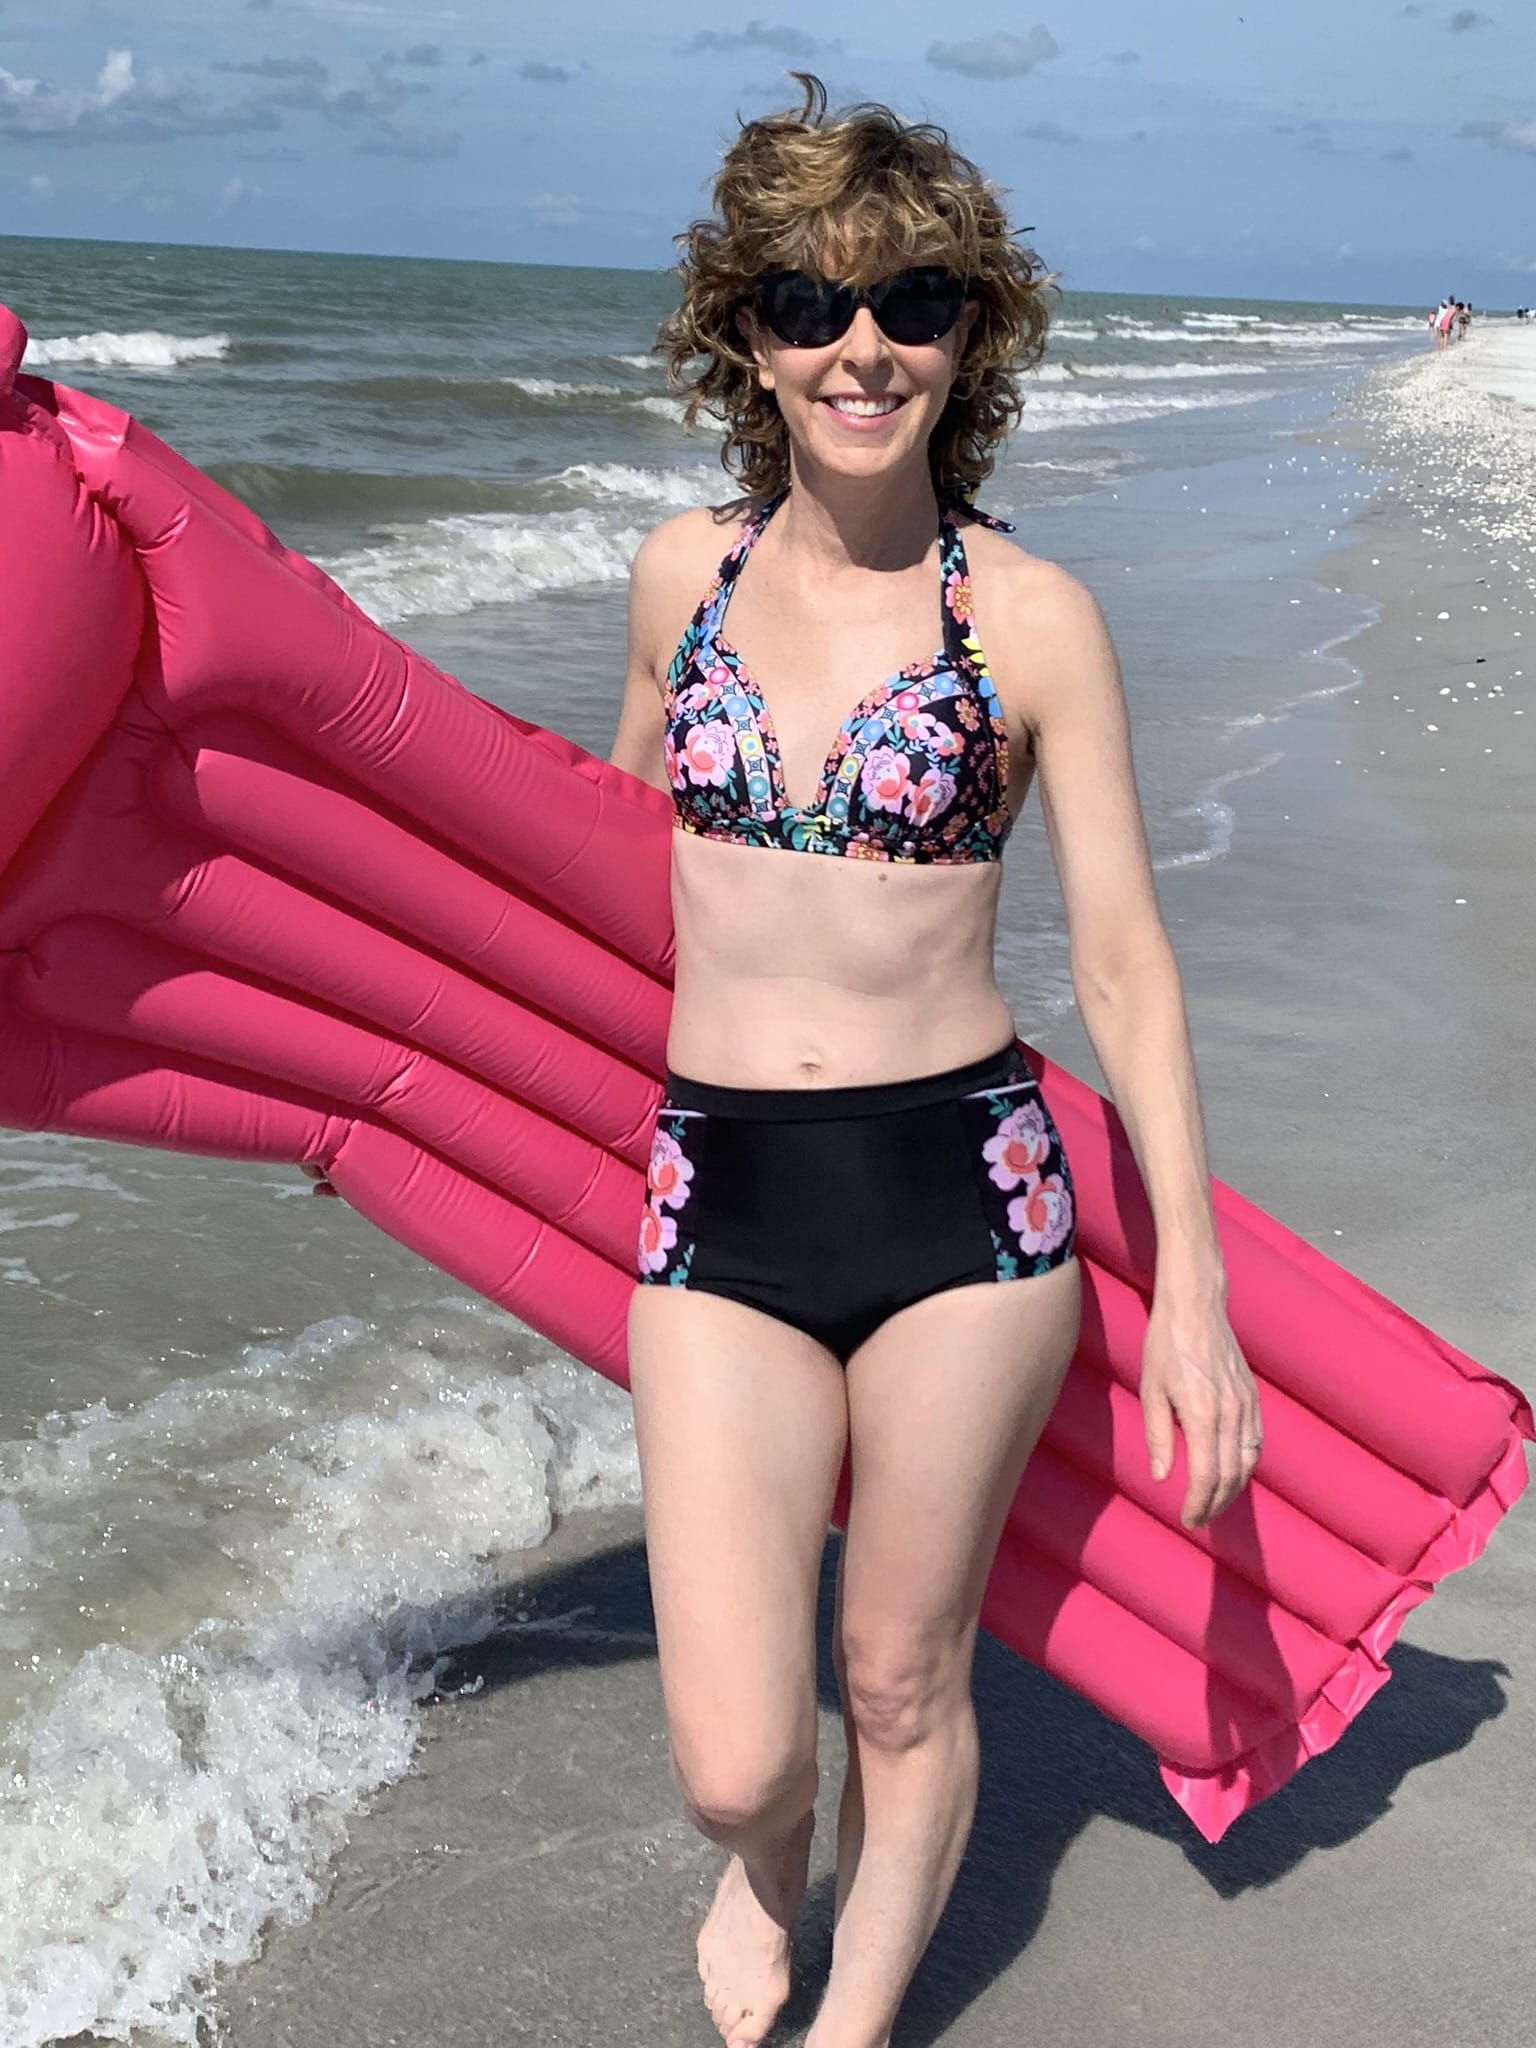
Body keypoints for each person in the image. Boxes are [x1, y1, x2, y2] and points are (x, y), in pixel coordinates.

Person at [608, 74, 1262, 2048]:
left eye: (908, 304)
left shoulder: (1035, 619)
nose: (858, 345)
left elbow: (1130, 967)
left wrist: (1198, 1299)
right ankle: (761, 1860)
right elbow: (582, 880)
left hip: (964, 1203)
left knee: (901, 1671)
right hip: (718, 1193)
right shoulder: (676, 580)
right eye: (807, 302)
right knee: (738, 1751)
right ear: (746, 332)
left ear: (972, 334)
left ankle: (855, 2019)